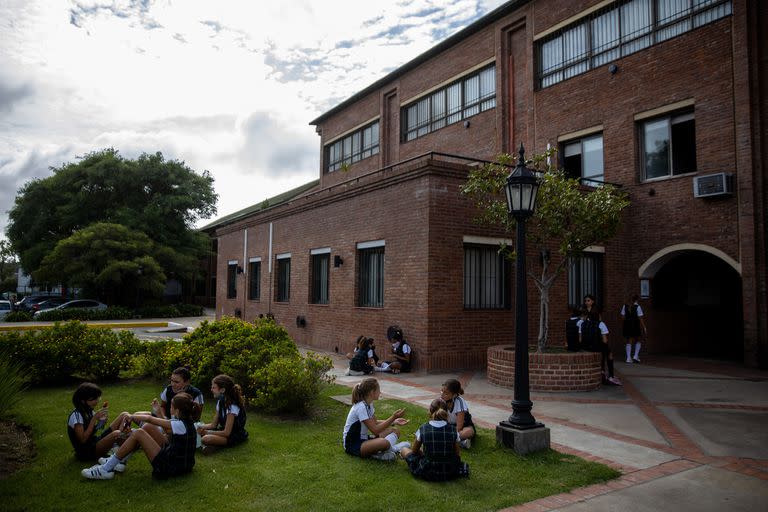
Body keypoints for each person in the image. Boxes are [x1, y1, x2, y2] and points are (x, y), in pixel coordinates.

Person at [81, 392, 202, 480]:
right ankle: (120, 461)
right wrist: (158, 412)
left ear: (177, 411)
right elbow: (166, 432)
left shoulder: (178, 424)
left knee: (139, 433)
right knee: (147, 427)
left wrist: (132, 416)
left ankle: (105, 469)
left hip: (170, 468)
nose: (169, 408)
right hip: (183, 464)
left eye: (171, 406)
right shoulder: (187, 423)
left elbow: (150, 419)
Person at [399, 399, 469, 481]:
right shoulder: (453, 430)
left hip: (427, 471)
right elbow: (457, 454)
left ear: (430, 412)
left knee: (404, 450)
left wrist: (423, 451)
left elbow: (414, 451)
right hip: (449, 471)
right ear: (446, 412)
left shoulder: (423, 428)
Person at [342, 377, 410, 461]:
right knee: (383, 442)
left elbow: (375, 422)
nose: (380, 392)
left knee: (395, 431)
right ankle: (394, 449)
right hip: (353, 444)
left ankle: (382, 452)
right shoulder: (361, 407)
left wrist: (394, 421)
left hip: (364, 439)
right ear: (372, 392)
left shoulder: (368, 404)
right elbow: (375, 430)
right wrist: (393, 417)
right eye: (378, 390)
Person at [67, 382, 131, 462]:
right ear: (83, 401)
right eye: (94, 398)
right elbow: (83, 440)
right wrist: (94, 419)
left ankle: (122, 444)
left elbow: (95, 430)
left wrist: (101, 422)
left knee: (124, 415)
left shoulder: (89, 411)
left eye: (97, 398)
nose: (97, 401)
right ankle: (122, 447)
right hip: (86, 452)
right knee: (117, 433)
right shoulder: (76, 416)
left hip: (94, 442)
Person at [197, 374, 249, 451]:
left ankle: (215, 446)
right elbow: (213, 425)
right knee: (196, 430)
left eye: (214, 387)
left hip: (233, 435)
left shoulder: (232, 406)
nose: (211, 389)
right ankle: (212, 446)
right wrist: (199, 427)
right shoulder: (220, 402)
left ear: (222, 390)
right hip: (222, 432)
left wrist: (206, 432)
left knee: (206, 439)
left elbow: (227, 433)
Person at [580, 310, 621, 385]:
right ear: (598, 316)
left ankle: (602, 371)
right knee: (609, 353)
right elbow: (605, 340)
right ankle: (611, 375)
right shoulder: (601, 324)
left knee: (604, 350)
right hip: (596, 346)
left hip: (585, 347)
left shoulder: (583, 323)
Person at [440, 379, 475, 449]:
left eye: (446, 393)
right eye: (441, 391)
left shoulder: (460, 402)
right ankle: (461, 443)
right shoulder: (440, 401)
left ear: (454, 395)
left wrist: (446, 434)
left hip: (463, 427)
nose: (442, 394)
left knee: (468, 432)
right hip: (448, 427)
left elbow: (459, 427)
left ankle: (445, 441)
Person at [621, 295, 647, 363]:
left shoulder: (625, 306)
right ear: (636, 300)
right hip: (635, 325)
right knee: (638, 339)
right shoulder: (638, 307)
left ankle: (628, 358)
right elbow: (640, 318)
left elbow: (622, 317)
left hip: (627, 325)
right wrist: (644, 327)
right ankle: (635, 356)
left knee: (629, 340)